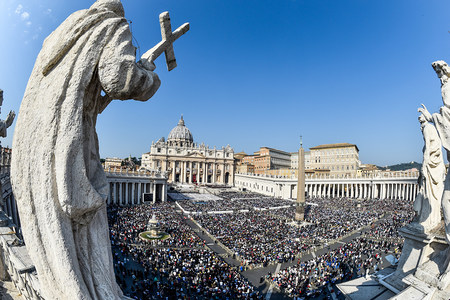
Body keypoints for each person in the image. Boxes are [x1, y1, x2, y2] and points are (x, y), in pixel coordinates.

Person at [11, 0, 160, 299]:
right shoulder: (112, 25)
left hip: (33, 150)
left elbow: (90, 97)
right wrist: (148, 75)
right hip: (70, 150)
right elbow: (120, 79)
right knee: (85, 232)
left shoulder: (60, 38)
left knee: (55, 237)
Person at [412, 110, 445, 232]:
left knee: (427, 194)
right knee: (431, 195)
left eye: (420, 120)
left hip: (430, 167)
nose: (420, 124)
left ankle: (426, 219)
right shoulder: (432, 129)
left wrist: (423, 167)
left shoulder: (427, 128)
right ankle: (432, 218)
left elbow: (428, 149)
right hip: (435, 166)